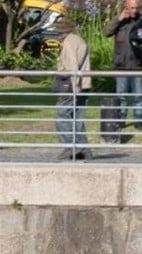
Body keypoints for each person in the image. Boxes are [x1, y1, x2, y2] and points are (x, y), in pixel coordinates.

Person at [54, 19, 92, 161]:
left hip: (72, 85)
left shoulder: (69, 42)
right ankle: (84, 150)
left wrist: (74, 86)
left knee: (61, 113)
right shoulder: (78, 40)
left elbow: (72, 66)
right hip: (84, 84)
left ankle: (70, 147)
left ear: (61, 32)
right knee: (77, 119)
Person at [104, 0, 142, 130]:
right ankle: (120, 121)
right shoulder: (119, 22)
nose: (134, 10)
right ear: (126, 7)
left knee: (139, 97)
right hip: (121, 66)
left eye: (136, 8)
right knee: (121, 97)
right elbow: (106, 33)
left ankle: (139, 122)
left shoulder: (141, 21)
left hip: (138, 66)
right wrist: (118, 20)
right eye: (132, 8)